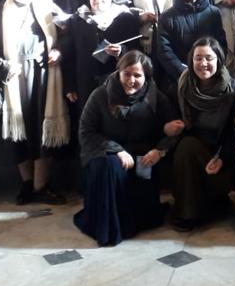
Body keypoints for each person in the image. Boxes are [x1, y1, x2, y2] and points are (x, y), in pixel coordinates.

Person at [0, 0, 69, 205]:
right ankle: (27, 184)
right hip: (12, 79)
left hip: (43, 75)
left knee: (41, 129)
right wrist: (4, 67)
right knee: (20, 134)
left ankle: (41, 185)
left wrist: (59, 50)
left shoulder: (48, 9)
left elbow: (68, 36)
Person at [74, 51, 177, 246]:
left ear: (146, 77)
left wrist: (159, 150)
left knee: (142, 170)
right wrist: (116, 150)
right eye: (127, 74)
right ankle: (109, 230)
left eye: (137, 75)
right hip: (103, 152)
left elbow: (172, 131)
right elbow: (86, 131)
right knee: (111, 167)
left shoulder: (156, 98)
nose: (131, 80)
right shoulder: (100, 95)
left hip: (141, 154)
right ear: (118, 72)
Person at [169, 37, 235, 231]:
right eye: (198, 58)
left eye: (209, 58)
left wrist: (222, 157)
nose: (203, 63)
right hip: (192, 151)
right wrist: (170, 127)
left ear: (219, 60)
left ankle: (205, 205)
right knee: (186, 146)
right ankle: (189, 212)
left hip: (221, 155)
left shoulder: (233, 90)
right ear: (191, 60)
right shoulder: (182, 85)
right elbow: (172, 120)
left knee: (188, 147)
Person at [62, 0, 143, 114]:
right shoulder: (77, 20)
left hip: (116, 81)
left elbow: (136, 52)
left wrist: (121, 51)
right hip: (85, 82)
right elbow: (70, 54)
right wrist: (69, 85)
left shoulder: (125, 18)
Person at [156, 0, 226, 90]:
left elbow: (221, 45)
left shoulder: (214, 13)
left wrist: (211, 69)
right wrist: (183, 72)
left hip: (210, 76)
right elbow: (164, 51)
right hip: (179, 79)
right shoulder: (167, 17)